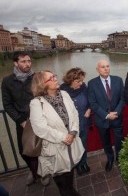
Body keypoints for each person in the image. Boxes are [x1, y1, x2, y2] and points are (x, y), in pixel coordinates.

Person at [30, 70, 84, 196]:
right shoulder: (36, 103)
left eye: (54, 76)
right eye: (51, 78)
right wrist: (64, 137)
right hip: (55, 150)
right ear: (42, 84)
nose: (55, 78)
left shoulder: (64, 94)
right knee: (63, 185)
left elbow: (74, 114)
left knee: (70, 177)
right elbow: (40, 128)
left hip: (71, 146)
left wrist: (73, 131)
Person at [1, 51, 39, 185]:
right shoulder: (7, 81)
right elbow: (7, 104)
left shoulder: (36, 77)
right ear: (16, 63)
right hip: (22, 121)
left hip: (40, 119)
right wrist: (21, 121)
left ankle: (42, 172)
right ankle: (34, 171)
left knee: (43, 148)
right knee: (24, 151)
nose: (27, 64)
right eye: (23, 61)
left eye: (29, 61)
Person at [88, 60, 124, 172]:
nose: (106, 69)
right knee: (106, 142)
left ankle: (119, 158)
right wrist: (107, 115)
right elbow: (93, 104)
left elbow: (123, 99)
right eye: (103, 67)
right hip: (102, 120)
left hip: (117, 118)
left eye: (107, 66)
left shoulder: (118, 80)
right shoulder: (92, 83)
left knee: (119, 140)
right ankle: (110, 158)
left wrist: (116, 112)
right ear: (97, 69)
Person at [60, 68, 91, 175]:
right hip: (71, 126)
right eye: (78, 81)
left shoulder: (84, 87)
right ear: (70, 80)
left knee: (83, 142)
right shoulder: (62, 91)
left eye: (82, 80)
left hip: (84, 122)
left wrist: (89, 109)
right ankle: (77, 164)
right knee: (74, 145)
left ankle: (84, 162)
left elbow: (90, 100)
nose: (81, 83)